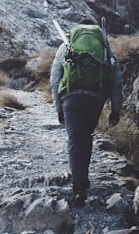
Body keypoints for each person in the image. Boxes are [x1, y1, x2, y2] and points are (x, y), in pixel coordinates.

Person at [50, 18, 123, 207]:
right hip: (95, 97)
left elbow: (56, 76)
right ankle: (83, 177)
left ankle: (79, 186)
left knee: (75, 138)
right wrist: (115, 110)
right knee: (87, 136)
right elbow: (117, 81)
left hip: (71, 98)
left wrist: (58, 107)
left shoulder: (68, 45)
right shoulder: (105, 47)